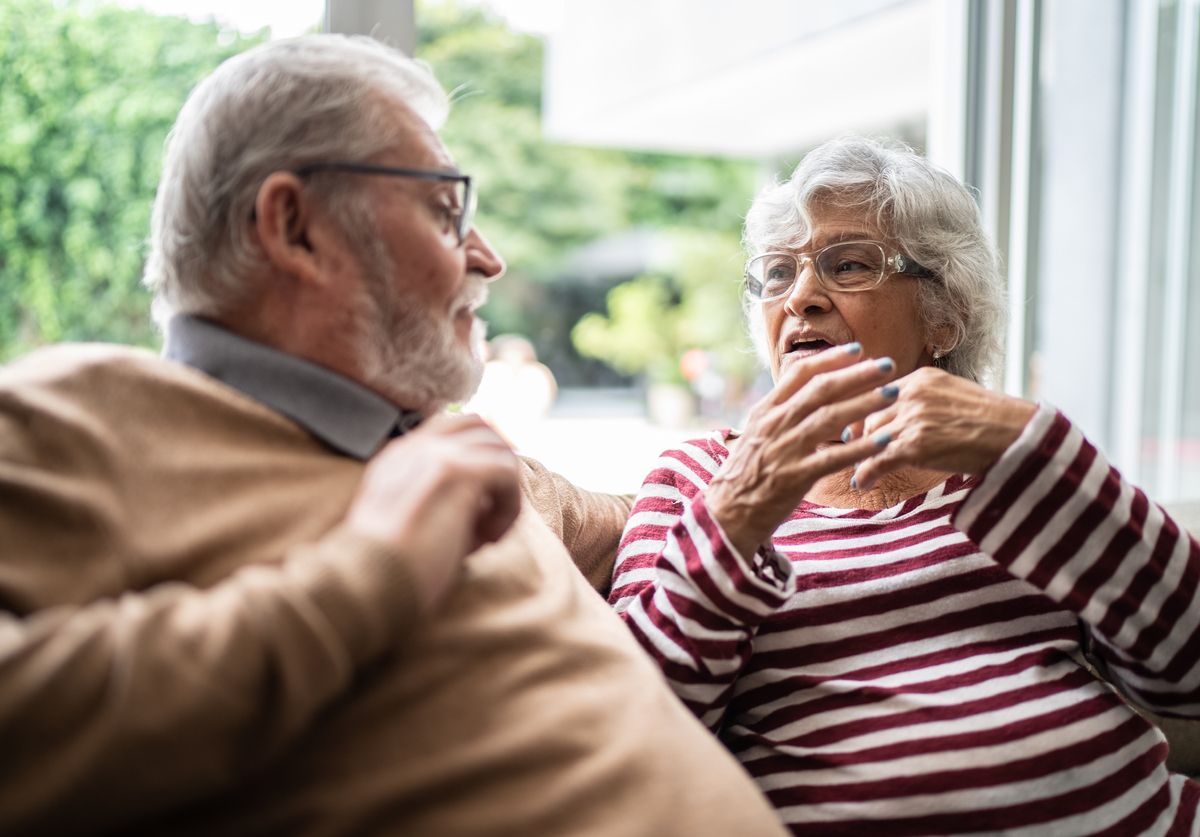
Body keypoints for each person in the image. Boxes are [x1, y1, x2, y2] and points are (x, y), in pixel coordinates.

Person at [0, 35, 789, 836]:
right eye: (447, 211)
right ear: (295, 226)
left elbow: (667, 517)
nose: (490, 258)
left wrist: (828, 471)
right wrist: (371, 571)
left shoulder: (464, 460)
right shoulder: (72, 418)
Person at [609, 137, 1200, 835]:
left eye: (846, 264)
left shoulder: (1017, 464)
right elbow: (630, 734)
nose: (799, 297)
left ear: (943, 315)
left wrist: (1029, 452)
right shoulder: (700, 479)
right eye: (775, 274)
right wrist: (739, 510)